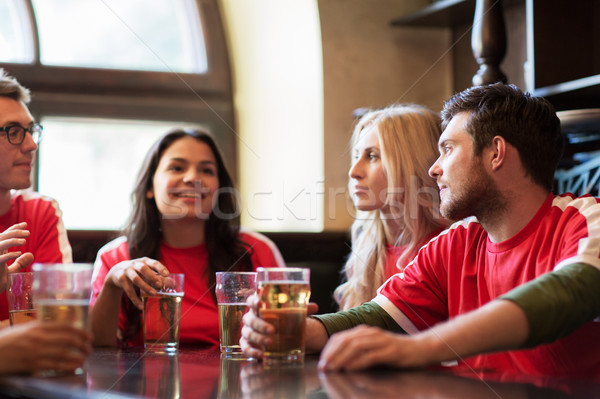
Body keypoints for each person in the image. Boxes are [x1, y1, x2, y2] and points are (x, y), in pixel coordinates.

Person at [241, 83, 600, 379]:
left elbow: (567, 293)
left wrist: (419, 347)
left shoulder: (584, 219)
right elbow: (380, 314)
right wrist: (304, 332)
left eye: (447, 150)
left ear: (496, 154)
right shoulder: (456, 242)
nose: (434, 169)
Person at [90, 128, 285, 348]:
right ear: (149, 188)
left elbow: (285, 334)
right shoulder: (115, 256)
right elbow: (97, 349)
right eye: (176, 167)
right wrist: (112, 285)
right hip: (146, 382)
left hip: (238, 381)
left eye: (207, 171)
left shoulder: (257, 249)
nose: (193, 178)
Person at [336, 104, 448, 310]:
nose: (354, 172)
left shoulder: (447, 248)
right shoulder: (367, 248)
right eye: (356, 155)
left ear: (413, 165)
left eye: (372, 156)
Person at [0, 69, 72, 323]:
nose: (32, 145)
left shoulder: (40, 212)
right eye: (13, 131)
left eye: (31, 130)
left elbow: (57, 322)